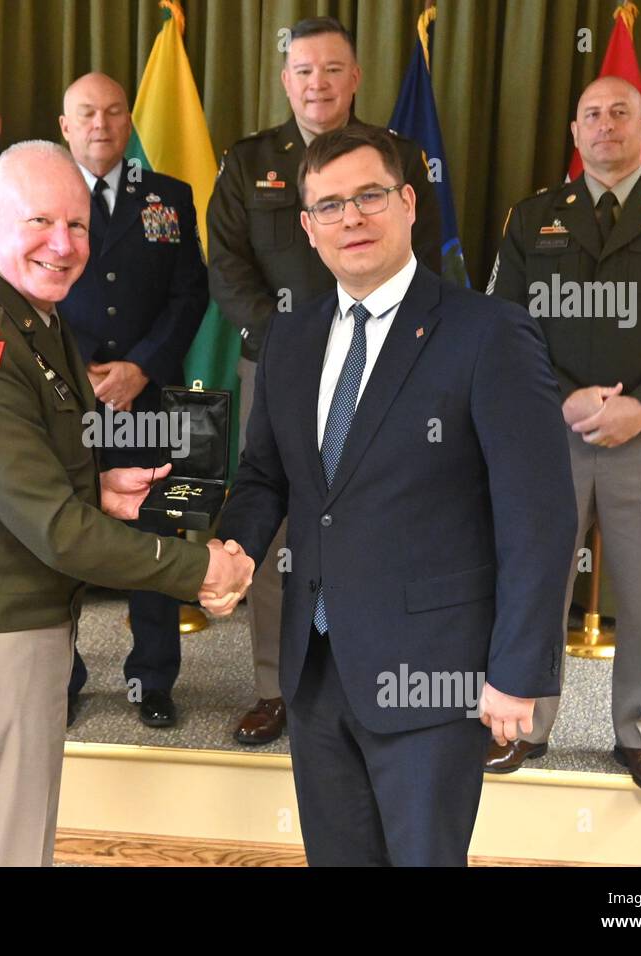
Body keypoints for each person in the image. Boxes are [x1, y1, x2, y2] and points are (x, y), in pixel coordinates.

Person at [216, 126, 577, 865]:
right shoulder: (288, 337)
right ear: (309, 229)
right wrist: (234, 550)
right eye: (329, 206)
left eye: (369, 196)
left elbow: (539, 518)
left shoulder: (489, 333)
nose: (351, 218)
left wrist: (516, 673)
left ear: (408, 204)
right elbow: (264, 477)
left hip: (433, 676)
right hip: (315, 671)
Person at [0, 141, 254, 866]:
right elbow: (56, 531)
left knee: (15, 845)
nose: (64, 246)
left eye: (80, 225)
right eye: (41, 223)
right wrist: (198, 570)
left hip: (16, 622)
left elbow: (18, 485)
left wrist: (98, 491)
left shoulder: (34, 320)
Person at [485, 77, 641, 795]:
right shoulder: (534, 218)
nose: (605, 126)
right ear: (575, 132)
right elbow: (503, 324)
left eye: (619, 113)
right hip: (549, 434)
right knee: (534, 581)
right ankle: (524, 725)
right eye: (592, 115)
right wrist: (562, 398)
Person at [207, 16, 443, 745]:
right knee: (277, 528)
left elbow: (426, 256)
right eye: (304, 71)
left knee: (376, 516)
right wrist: (277, 344)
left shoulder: (399, 156)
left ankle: (379, 670)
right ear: (286, 81)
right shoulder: (249, 162)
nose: (318, 83)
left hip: (382, 366)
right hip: (279, 366)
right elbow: (226, 265)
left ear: (356, 77)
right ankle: (277, 686)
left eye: (333, 69)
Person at [57, 72, 209, 728]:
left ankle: (153, 678)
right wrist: (84, 368)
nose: (101, 123)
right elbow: (29, 284)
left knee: (154, 533)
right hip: (66, 394)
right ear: (65, 126)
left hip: (147, 399)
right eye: (86, 113)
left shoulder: (168, 196)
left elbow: (190, 294)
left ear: (129, 123)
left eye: (114, 112)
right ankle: (62, 676)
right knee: (59, 536)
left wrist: (139, 368)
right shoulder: (48, 192)